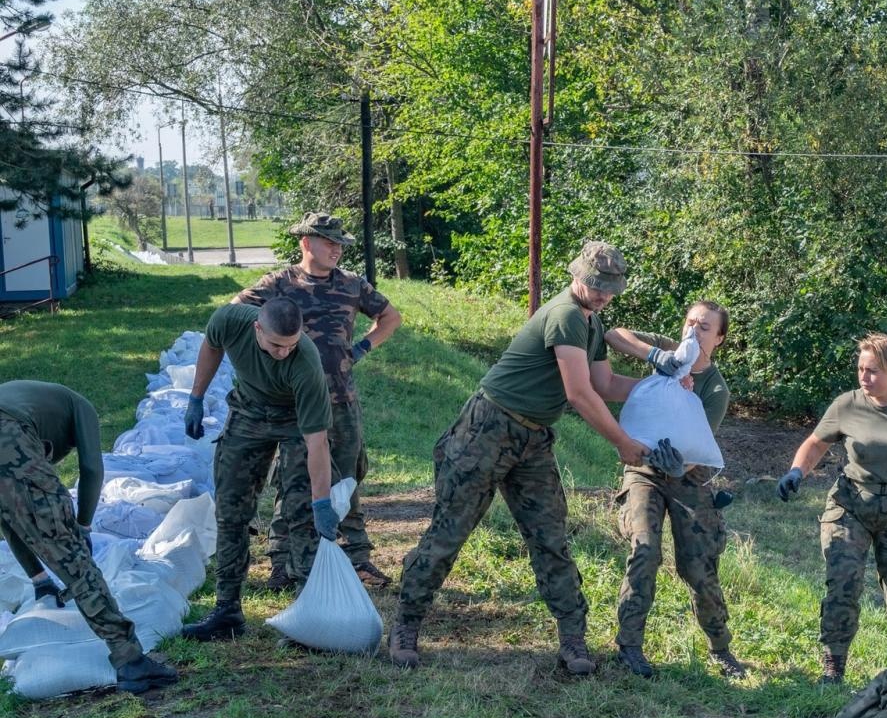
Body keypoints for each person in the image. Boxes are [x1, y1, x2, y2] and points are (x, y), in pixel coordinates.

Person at [389, 241, 663, 674]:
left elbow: (606, 385)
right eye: (596, 285)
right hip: (488, 429)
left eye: (610, 287)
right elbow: (579, 394)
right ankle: (405, 625)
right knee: (449, 532)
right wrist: (622, 443)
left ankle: (573, 638)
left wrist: (663, 385)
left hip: (532, 438)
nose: (603, 293)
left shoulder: (591, 321)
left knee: (550, 537)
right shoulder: (566, 315)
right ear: (578, 276)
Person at [234, 212, 404, 590]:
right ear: (306, 243)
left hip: (341, 398)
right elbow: (237, 311)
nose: (337, 249)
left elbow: (390, 317)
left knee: (346, 477)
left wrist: (361, 347)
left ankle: (357, 556)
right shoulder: (280, 283)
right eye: (329, 241)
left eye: (340, 243)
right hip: (295, 401)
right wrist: (267, 362)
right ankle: (282, 560)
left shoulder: (351, 285)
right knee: (293, 479)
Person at [0, 381, 179, 693]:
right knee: (72, 555)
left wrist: (40, 578)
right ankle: (130, 659)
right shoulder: (78, 406)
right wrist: (82, 528)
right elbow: (93, 469)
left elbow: (11, 518)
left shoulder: (32, 413)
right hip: (8, 431)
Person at [777, 335, 887, 684]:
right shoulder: (847, 404)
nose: (864, 378)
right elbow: (816, 443)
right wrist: (796, 471)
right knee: (843, 583)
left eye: (873, 371)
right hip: (852, 503)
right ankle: (833, 665)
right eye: (861, 369)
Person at [180, 299, 339, 640]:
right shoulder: (230, 320)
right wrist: (196, 397)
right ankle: (227, 612)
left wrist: (321, 502)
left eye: (291, 345)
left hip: (295, 419)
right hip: (248, 413)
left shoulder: (305, 362)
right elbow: (211, 346)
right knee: (230, 512)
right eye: (276, 345)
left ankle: (312, 613)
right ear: (257, 330)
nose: (284, 353)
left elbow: (317, 443)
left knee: (302, 514)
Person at [605, 301, 746, 679]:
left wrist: (679, 465)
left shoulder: (716, 388)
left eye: (704, 328)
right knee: (645, 549)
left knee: (699, 568)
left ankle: (721, 648)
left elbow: (696, 452)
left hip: (688, 479)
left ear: (719, 338)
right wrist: (655, 356)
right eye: (690, 323)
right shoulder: (669, 350)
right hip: (644, 472)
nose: (694, 332)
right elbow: (613, 334)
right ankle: (629, 646)